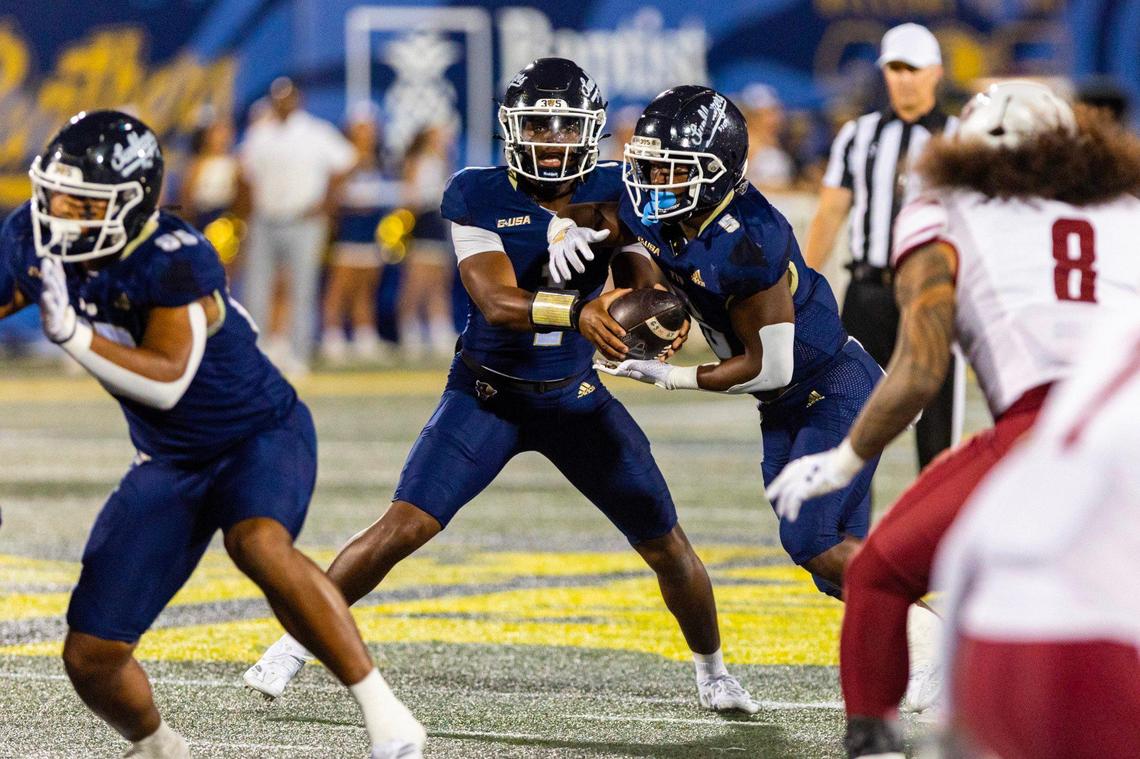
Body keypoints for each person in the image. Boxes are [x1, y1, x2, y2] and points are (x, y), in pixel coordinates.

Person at [244, 59, 758, 715]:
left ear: (590, 130)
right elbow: (493, 296)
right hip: (486, 395)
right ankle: (292, 642)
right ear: (512, 130)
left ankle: (713, 671)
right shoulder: (477, 191)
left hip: (574, 399)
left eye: (562, 125)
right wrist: (577, 310)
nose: (549, 138)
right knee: (403, 525)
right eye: (536, 124)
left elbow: (633, 258)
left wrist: (642, 293)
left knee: (665, 540)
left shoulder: (613, 188)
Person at [1, 111, 424, 759]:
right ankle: (160, 746)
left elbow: (168, 380)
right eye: (54, 194)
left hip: (258, 436)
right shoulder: (32, 236)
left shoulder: (173, 254)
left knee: (256, 541)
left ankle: (388, 716)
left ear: (133, 202)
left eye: (81, 201)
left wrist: (74, 336)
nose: (59, 212)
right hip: (168, 460)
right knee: (92, 653)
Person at [766, 82, 1140, 758]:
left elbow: (917, 368)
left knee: (878, 574)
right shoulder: (1126, 207)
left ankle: (876, 743)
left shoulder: (942, 211)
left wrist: (844, 458)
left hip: (1048, 430)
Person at [546, 86, 889, 606]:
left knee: (812, 541)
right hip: (784, 407)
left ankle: (953, 633)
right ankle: (926, 651)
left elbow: (771, 367)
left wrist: (670, 376)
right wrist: (566, 234)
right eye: (652, 165)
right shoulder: (658, 204)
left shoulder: (748, 240)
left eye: (673, 168)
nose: (654, 180)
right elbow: (605, 222)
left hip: (834, 387)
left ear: (718, 167)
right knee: (835, 565)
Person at [932, 316, 1140, 759]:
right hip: (1092, 655)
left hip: (990, 644)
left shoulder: (1114, 338)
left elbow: (975, 535)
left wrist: (953, 701)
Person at [804, 23, 963, 472]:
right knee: (848, 418)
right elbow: (831, 212)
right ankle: (849, 535)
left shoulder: (959, 136)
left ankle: (936, 538)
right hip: (868, 292)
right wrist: (805, 287)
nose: (904, 78)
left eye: (912, 68)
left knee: (936, 428)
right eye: (895, 68)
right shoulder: (860, 135)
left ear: (934, 72)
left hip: (930, 294)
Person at [239, 77, 357, 374]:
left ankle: (298, 353)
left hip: (304, 219)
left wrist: (326, 202)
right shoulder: (260, 133)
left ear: (297, 99)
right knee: (257, 287)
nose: (282, 102)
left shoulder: (315, 132)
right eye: (277, 97)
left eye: (287, 97)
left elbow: (348, 161)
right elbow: (244, 173)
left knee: (302, 288)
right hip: (265, 218)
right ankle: (260, 351)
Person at [321, 105, 399, 365]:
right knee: (340, 288)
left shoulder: (380, 159)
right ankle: (332, 337)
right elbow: (332, 193)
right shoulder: (341, 158)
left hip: (371, 232)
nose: (368, 134)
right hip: (347, 231)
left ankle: (364, 335)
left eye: (371, 129)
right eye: (362, 129)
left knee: (366, 288)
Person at [396, 124, 457, 361]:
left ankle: (438, 328)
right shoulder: (416, 160)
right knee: (416, 281)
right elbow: (410, 196)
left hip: (440, 223)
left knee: (438, 282)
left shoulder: (443, 162)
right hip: (422, 222)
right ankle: (408, 330)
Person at [741, 84, 794, 192]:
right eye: (768, 113)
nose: (775, 118)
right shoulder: (747, 144)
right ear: (752, 116)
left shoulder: (775, 141)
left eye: (775, 111)